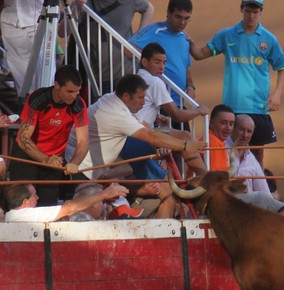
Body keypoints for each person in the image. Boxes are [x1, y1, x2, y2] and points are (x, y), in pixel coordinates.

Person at [189, 0, 284, 167]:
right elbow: (199, 55)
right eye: (248, 11)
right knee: (230, 152)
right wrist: (187, 41)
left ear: (261, 12)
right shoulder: (227, 35)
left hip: (258, 106)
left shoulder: (269, 39)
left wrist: (277, 95)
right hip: (233, 107)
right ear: (242, 9)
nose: (251, 15)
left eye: (255, 12)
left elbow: (283, 68)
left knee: (257, 154)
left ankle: (258, 190)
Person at [65, 74, 206, 181]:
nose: (143, 103)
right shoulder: (114, 112)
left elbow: (147, 128)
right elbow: (150, 136)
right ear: (126, 96)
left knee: (183, 136)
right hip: (85, 170)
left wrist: (168, 142)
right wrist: (184, 145)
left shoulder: (114, 99)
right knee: (181, 141)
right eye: (140, 98)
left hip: (109, 153)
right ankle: (203, 182)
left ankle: (203, 180)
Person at [8, 65, 89, 206]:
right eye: (69, 91)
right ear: (57, 85)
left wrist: (74, 163)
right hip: (27, 157)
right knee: (21, 204)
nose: (74, 96)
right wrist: (45, 159)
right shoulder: (38, 98)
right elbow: (23, 138)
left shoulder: (78, 104)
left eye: (77, 91)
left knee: (47, 206)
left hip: (54, 158)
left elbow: (83, 140)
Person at [64, 0, 154, 99]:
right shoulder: (81, 2)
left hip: (126, 71)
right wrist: (76, 9)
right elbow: (62, 31)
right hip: (96, 76)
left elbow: (148, 8)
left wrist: (138, 37)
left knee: (128, 112)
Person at [129, 0, 196, 117]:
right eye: (178, 17)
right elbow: (128, 49)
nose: (182, 22)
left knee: (183, 135)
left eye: (186, 18)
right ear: (168, 14)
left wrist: (191, 86)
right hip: (157, 103)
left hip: (178, 102)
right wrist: (151, 58)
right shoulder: (154, 30)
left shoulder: (184, 37)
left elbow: (184, 66)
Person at [4, 182, 127, 222]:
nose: (37, 198)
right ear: (25, 202)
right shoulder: (25, 215)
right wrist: (104, 194)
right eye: (34, 195)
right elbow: (68, 208)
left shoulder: (14, 215)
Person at [0, 0, 47, 94]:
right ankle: (26, 105)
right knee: (21, 79)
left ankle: (43, 103)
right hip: (10, 22)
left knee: (41, 76)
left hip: (37, 19)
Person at [227, 114, 271, 194]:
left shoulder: (252, 159)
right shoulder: (221, 149)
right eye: (241, 130)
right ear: (233, 129)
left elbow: (265, 192)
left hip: (247, 203)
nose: (245, 135)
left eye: (249, 131)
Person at [206, 104, 235, 171]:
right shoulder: (214, 142)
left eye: (231, 124)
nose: (228, 128)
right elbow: (217, 176)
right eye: (223, 123)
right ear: (211, 123)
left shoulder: (211, 139)